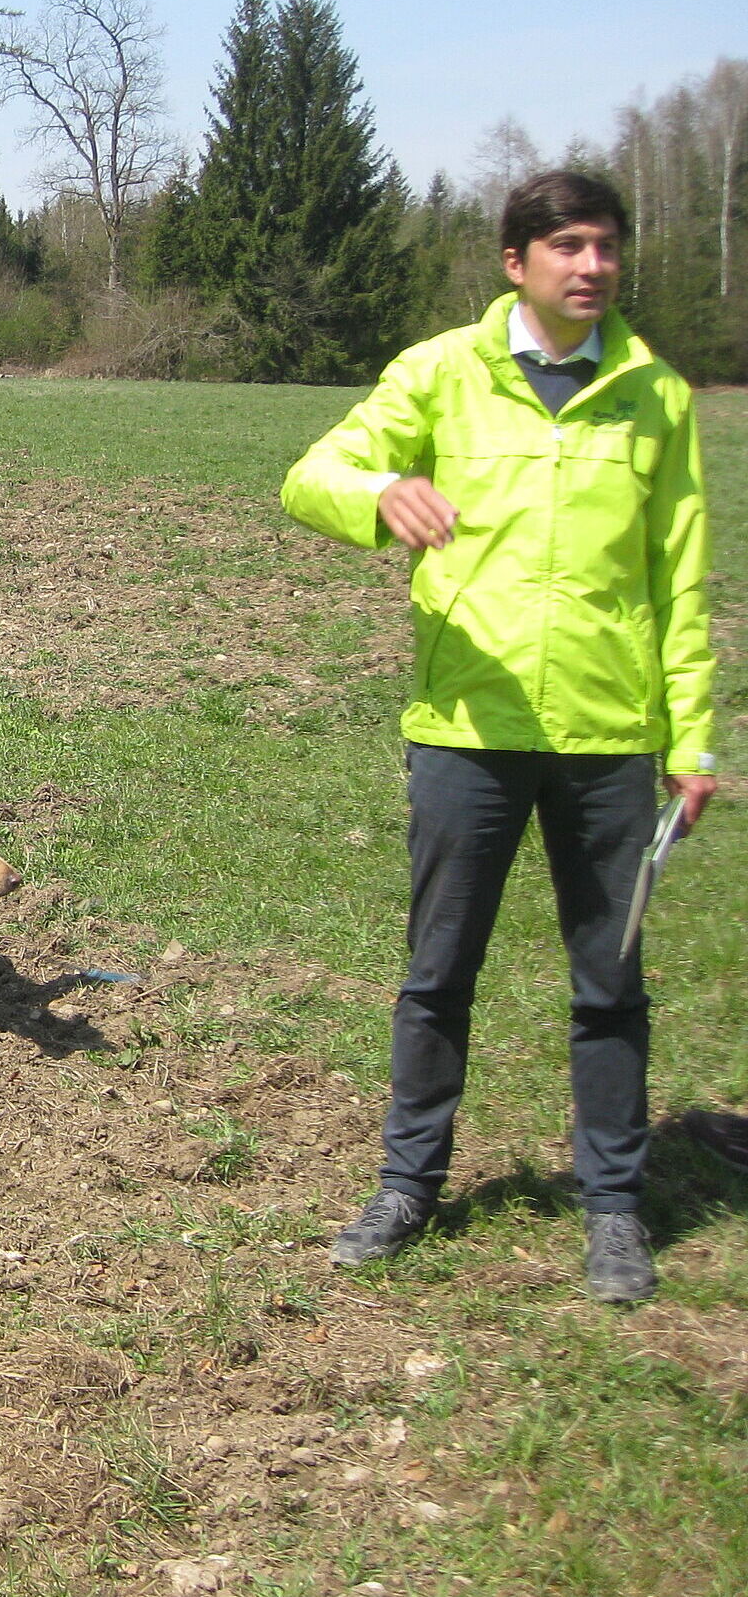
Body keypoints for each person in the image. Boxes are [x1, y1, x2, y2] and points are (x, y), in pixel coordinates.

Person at [283, 172, 718, 1303]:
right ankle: (408, 1183)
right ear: (515, 262)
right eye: (567, 246)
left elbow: (681, 579)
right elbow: (309, 475)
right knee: (438, 974)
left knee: (609, 982)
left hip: (610, 736)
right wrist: (380, 490)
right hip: (466, 732)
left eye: (607, 247)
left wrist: (694, 738)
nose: (592, 265)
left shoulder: (656, 396)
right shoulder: (441, 373)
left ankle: (614, 1206)